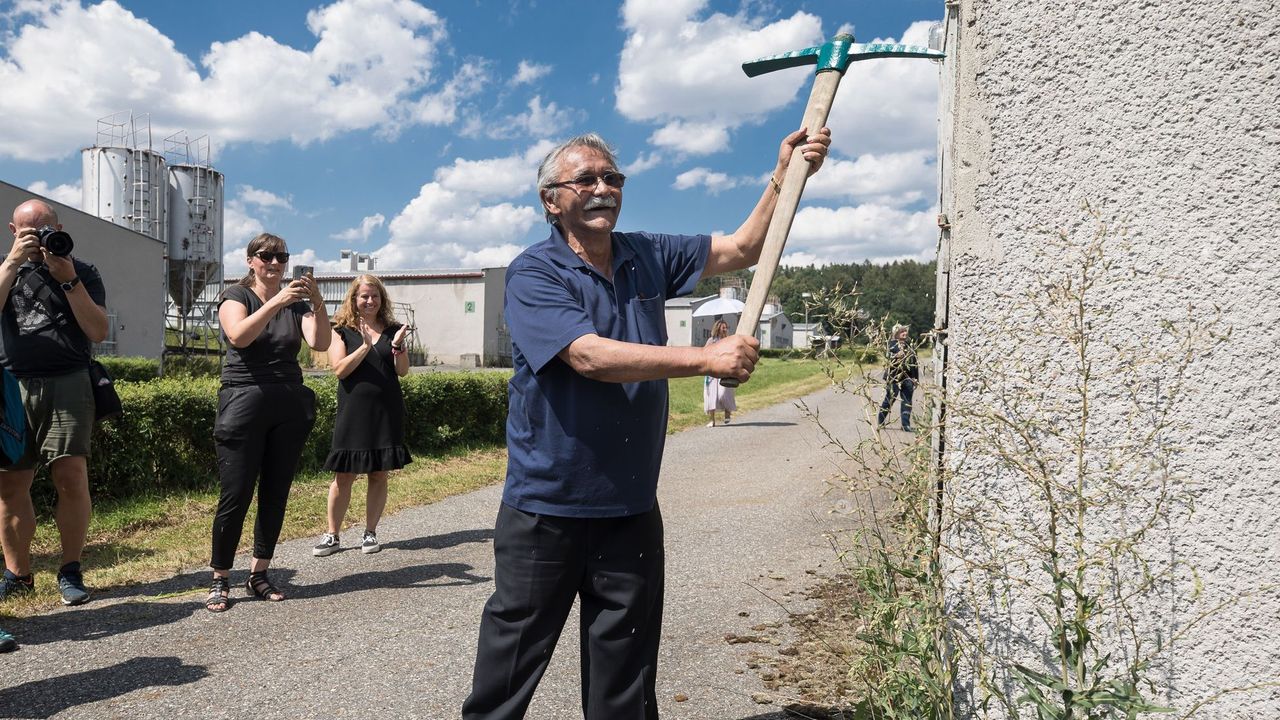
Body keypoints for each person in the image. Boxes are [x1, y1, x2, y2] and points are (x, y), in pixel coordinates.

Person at [461, 125, 830, 719]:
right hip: (546, 508)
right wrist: (706, 359)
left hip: (630, 505)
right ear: (552, 201)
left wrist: (784, 178)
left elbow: (742, 248)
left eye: (613, 177)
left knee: (625, 677)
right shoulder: (535, 273)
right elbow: (588, 355)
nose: (603, 187)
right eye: (586, 179)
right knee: (510, 669)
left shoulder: (646, 253)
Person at [206, 233, 330, 612]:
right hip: (244, 402)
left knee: (275, 493)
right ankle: (220, 577)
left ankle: (258, 573)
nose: (275, 263)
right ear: (250, 260)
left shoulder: (296, 306)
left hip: (288, 403)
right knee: (237, 493)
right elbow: (239, 336)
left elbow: (321, 343)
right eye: (267, 256)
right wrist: (277, 300)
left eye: (282, 257)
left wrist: (318, 302)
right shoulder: (235, 296)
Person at [0, 199, 109, 614]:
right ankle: (18, 574)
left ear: (59, 227)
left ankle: (70, 570)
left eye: (45, 229)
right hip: (12, 385)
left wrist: (69, 280)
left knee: (71, 476)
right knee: (11, 484)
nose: (39, 238)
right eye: (29, 231)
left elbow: (98, 330)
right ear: (13, 230)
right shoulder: (6, 267)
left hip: (68, 381)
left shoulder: (82, 270)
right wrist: (12, 263)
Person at [312, 274, 411, 557]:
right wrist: (366, 346)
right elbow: (340, 370)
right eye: (364, 296)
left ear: (382, 299)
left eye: (375, 296)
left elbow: (402, 371)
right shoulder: (341, 331)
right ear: (354, 300)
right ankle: (332, 535)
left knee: (379, 473)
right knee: (344, 475)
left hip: (386, 409)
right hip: (353, 411)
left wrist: (397, 346)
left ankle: (370, 532)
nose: (370, 301)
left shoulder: (393, 330)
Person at [877, 323, 918, 432]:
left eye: (905, 331)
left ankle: (905, 425)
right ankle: (880, 421)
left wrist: (915, 378)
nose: (905, 333)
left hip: (907, 377)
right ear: (896, 334)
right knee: (889, 399)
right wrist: (895, 356)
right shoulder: (891, 345)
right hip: (893, 377)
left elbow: (915, 363)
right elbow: (886, 359)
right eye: (901, 331)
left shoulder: (910, 346)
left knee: (907, 401)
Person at [703, 318, 737, 427]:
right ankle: (712, 420)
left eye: (726, 328)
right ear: (718, 328)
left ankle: (728, 413)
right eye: (723, 327)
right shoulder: (711, 341)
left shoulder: (729, 340)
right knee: (711, 397)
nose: (725, 329)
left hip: (725, 371)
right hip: (712, 373)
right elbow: (705, 353)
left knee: (724, 394)